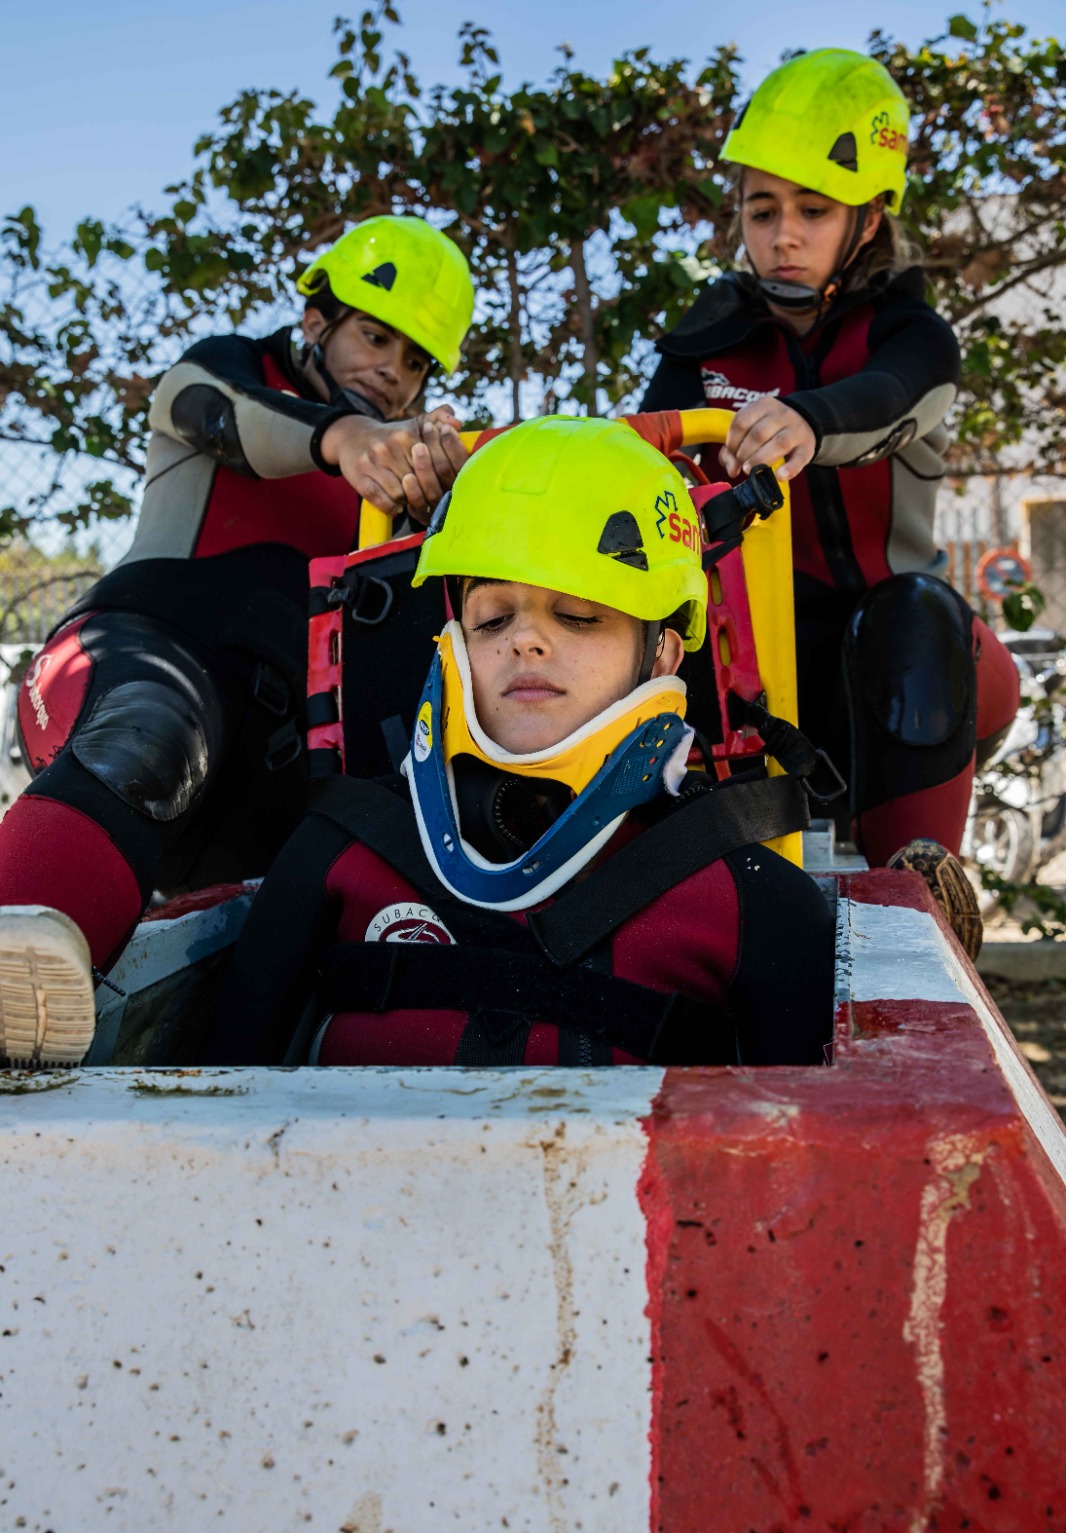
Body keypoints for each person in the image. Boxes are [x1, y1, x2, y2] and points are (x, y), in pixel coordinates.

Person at [207, 416, 835, 1069]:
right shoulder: (338, 847)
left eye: (579, 616)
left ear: (660, 658)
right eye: (492, 618)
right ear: (454, 644)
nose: (526, 642)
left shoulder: (755, 901)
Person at [0, 214, 474, 1067]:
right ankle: (24, 927)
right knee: (150, 736)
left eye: (414, 363)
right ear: (317, 320)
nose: (391, 374)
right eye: (375, 337)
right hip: (132, 678)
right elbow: (228, 412)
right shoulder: (225, 373)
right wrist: (347, 439)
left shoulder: (402, 485)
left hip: (279, 767)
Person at [642, 49, 1019, 953]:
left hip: (902, 661)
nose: (782, 235)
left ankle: (921, 910)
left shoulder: (912, 333)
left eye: (813, 210)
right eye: (761, 208)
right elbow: (643, 453)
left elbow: (899, 394)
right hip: (755, 672)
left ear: (868, 218)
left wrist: (806, 421)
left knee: (920, 614)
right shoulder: (703, 343)